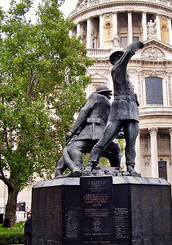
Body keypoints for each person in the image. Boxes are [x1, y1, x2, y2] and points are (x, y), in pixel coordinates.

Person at [84, 41, 144, 176]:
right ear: (116, 60)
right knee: (105, 139)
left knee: (131, 143)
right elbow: (128, 54)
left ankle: (130, 167)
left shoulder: (126, 75)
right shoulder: (117, 69)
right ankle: (91, 164)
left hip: (132, 111)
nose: (120, 59)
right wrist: (136, 46)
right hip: (119, 110)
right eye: (119, 57)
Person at [55, 85, 121, 177]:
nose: (110, 96)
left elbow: (84, 112)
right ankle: (116, 170)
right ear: (106, 93)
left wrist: (72, 131)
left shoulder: (95, 96)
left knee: (72, 148)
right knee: (116, 150)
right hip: (105, 135)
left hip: (91, 132)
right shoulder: (110, 104)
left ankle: (76, 168)